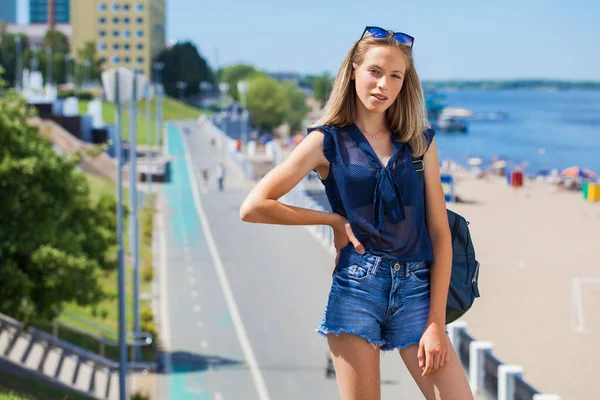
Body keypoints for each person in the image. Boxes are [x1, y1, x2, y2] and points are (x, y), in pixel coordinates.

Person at [239, 26, 472, 399]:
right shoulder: (325, 141)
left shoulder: (419, 142)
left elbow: (441, 235)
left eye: (395, 76)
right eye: (375, 71)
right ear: (353, 71)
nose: (383, 85)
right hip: (358, 287)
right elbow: (254, 206)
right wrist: (332, 219)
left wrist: (436, 325)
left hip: (417, 289)